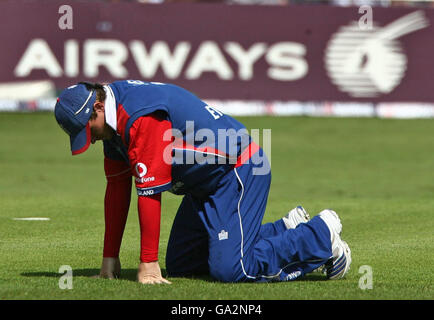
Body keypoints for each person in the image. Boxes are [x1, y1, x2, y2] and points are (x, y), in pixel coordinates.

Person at [54, 80, 351, 284]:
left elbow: (148, 193)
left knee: (234, 269)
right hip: (204, 183)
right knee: (183, 264)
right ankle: (284, 229)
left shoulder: (140, 116)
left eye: (87, 131)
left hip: (239, 168)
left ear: (96, 109)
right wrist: (110, 261)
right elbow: (117, 190)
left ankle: (320, 236)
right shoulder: (112, 121)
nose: (89, 140)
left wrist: (147, 265)